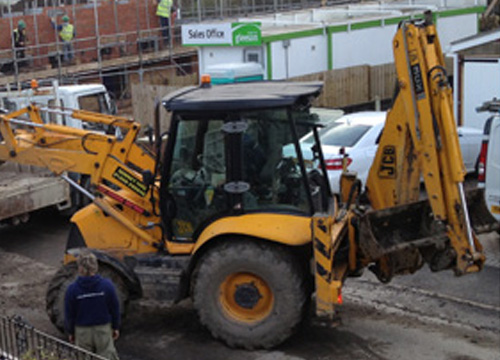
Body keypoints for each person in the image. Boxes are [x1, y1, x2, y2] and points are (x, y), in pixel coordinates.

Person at [64, 250, 120, 360]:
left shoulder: (72, 290)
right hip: (103, 329)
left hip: (82, 331)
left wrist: (70, 332)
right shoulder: (107, 286)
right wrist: (116, 327)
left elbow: (69, 314)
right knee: (107, 355)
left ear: (79, 268)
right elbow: (115, 308)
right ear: (95, 266)